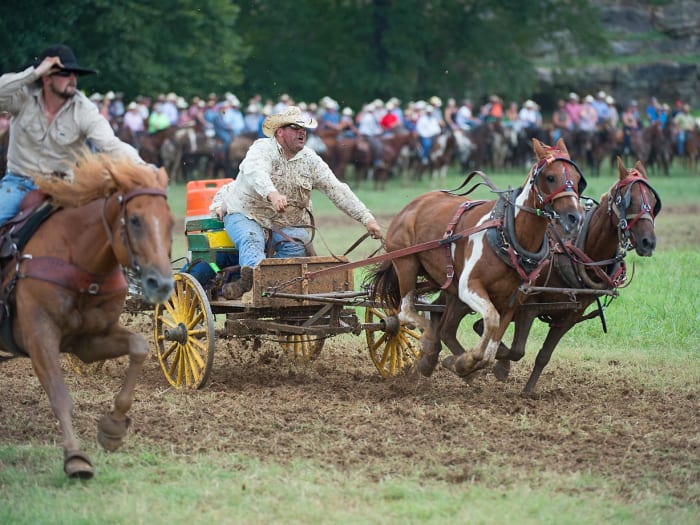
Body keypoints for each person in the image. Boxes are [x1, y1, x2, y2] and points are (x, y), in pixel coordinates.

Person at [209, 106, 382, 300]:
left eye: (304, 129)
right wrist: (272, 194)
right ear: (280, 131)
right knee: (251, 239)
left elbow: (337, 190)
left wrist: (367, 220)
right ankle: (253, 286)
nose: (302, 132)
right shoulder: (261, 148)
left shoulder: (310, 160)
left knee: (299, 245)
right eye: (295, 127)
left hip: (284, 223)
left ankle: (273, 288)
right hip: (247, 213)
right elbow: (255, 172)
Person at [0, 44, 144, 227]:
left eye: (74, 74)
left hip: (63, 188)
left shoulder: (84, 109)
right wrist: (34, 73)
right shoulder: (22, 98)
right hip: (18, 184)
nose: (73, 79)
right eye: (65, 74)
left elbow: (111, 145)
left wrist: (143, 168)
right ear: (47, 78)